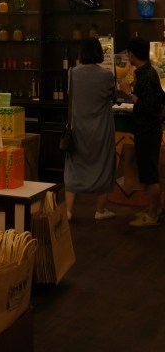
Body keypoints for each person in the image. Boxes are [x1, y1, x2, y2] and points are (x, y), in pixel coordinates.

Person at [64, 36, 117, 221]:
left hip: (78, 128)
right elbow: (112, 97)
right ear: (99, 52)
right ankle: (100, 210)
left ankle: (68, 211)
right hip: (101, 129)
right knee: (104, 164)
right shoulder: (106, 75)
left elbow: (71, 95)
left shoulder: (72, 73)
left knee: (74, 166)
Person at [118, 36, 164, 227]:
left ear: (131, 54)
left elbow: (146, 106)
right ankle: (152, 209)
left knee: (150, 174)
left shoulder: (146, 76)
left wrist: (128, 92)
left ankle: (152, 215)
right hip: (148, 130)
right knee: (147, 173)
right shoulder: (147, 73)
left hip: (148, 131)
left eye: (128, 53)